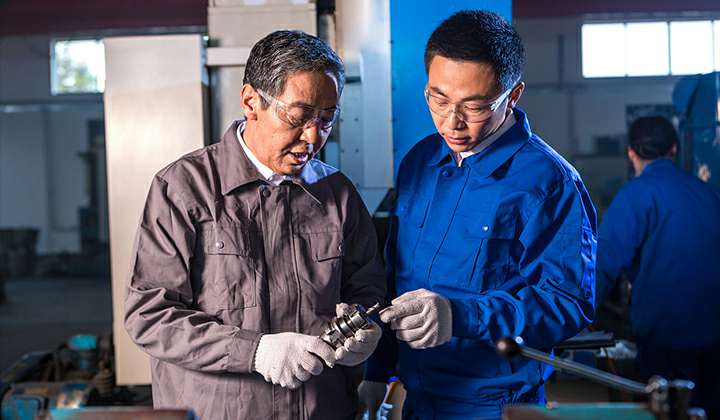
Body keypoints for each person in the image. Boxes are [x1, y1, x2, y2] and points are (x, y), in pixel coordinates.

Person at [124, 30, 386, 420]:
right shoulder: (183, 188)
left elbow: (367, 291)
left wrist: (363, 333)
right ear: (251, 102)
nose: (313, 136)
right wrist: (255, 351)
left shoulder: (338, 194)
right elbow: (150, 315)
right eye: (298, 116)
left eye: (326, 119)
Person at [360, 10, 597, 420]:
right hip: (418, 399)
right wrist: (376, 372)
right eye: (438, 99)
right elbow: (395, 277)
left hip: (495, 406)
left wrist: (461, 316)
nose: (452, 122)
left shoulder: (548, 182)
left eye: (474, 106)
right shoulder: (419, 161)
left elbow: (568, 301)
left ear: (513, 95)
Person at [596, 116, 720, 418]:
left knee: (667, 411)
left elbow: (602, 264)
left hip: (666, 336)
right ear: (674, 149)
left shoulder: (635, 195)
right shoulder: (708, 193)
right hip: (714, 334)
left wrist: (577, 316)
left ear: (631, 152)